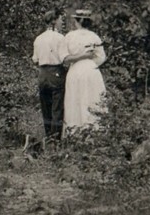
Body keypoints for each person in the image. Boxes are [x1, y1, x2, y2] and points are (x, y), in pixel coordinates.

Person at [62, 9, 108, 135]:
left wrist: (78, 62)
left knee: (76, 99)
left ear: (76, 21)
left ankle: (75, 132)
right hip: (91, 70)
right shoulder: (94, 37)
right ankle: (94, 131)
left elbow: (64, 58)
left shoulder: (69, 36)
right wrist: (90, 63)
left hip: (76, 70)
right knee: (92, 97)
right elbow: (101, 57)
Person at [32, 10, 67, 149]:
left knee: (45, 107)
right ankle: (55, 141)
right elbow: (64, 58)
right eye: (60, 19)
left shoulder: (38, 38)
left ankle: (48, 138)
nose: (61, 22)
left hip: (42, 74)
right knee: (57, 108)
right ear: (53, 21)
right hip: (56, 73)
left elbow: (35, 59)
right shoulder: (60, 38)